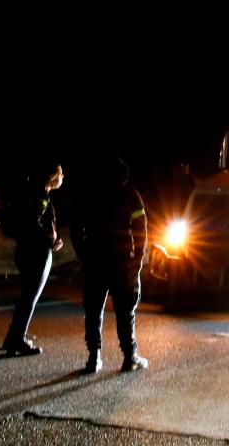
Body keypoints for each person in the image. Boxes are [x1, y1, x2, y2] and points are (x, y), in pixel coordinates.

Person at [71, 156, 149, 373]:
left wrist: (84, 255)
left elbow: (76, 230)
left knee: (93, 310)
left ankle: (93, 358)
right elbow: (141, 229)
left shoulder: (88, 196)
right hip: (123, 262)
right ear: (123, 176)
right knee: (125, 311)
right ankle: (129, 357)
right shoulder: (131, 196)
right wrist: (138, 258)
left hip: (95, 261)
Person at [2, 163, 65, 356]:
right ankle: (17, 339)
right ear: (53, 176)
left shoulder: (30, 193)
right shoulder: (40, 195)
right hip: (37, 252)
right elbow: (32, 222)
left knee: (27, 296)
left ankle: (13, 337)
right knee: (30, 297)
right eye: (61, 173)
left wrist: (53, 237)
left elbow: (33, 222)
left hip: (24, 250)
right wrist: (48, 237)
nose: (63, 177)